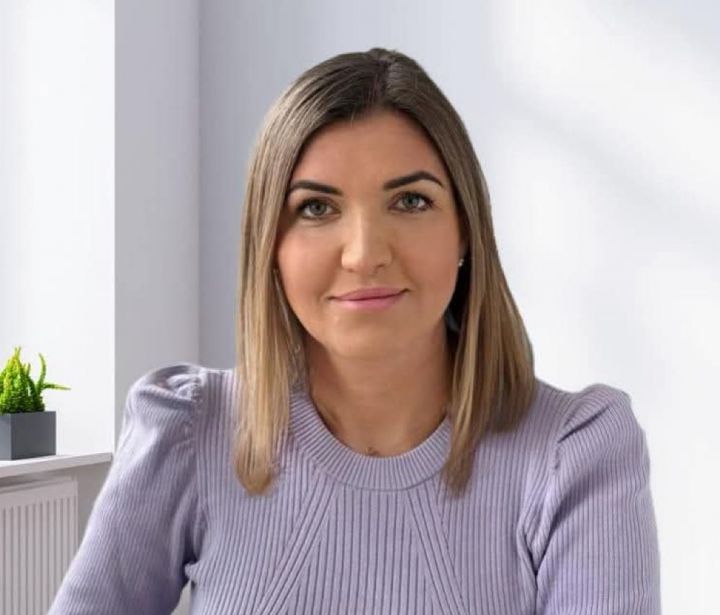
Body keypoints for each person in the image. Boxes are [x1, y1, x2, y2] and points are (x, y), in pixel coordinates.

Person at [49, 47, 661, 614]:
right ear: (270, 247)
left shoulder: (573, 455)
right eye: (316, 208)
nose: (365, 254)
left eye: (411, 201)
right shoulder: (187, 432)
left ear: (466, 231)